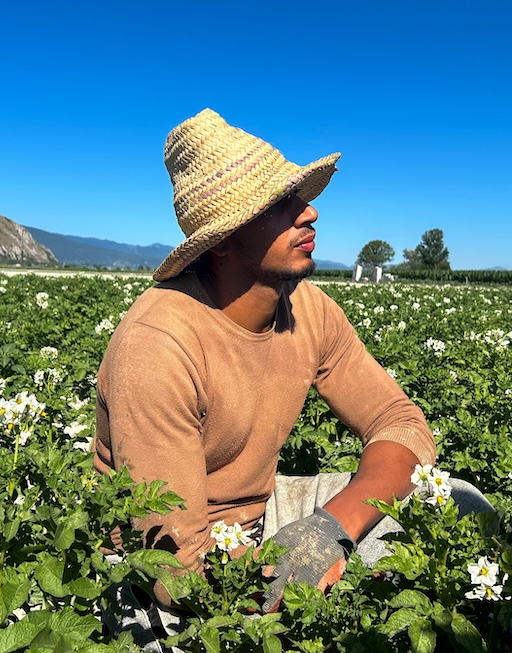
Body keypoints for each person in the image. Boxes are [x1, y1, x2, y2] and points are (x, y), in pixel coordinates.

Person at [93, 108, 490, 649]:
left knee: (461, 505)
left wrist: (330, 530)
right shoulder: (158, 343)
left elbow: (400, 423)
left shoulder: (308, 307)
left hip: (263, 513)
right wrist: (303, 574)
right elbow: (175, 567)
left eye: (299, 196)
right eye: (279, 204)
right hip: (170, 564)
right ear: (224, 242)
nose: (310, 212)